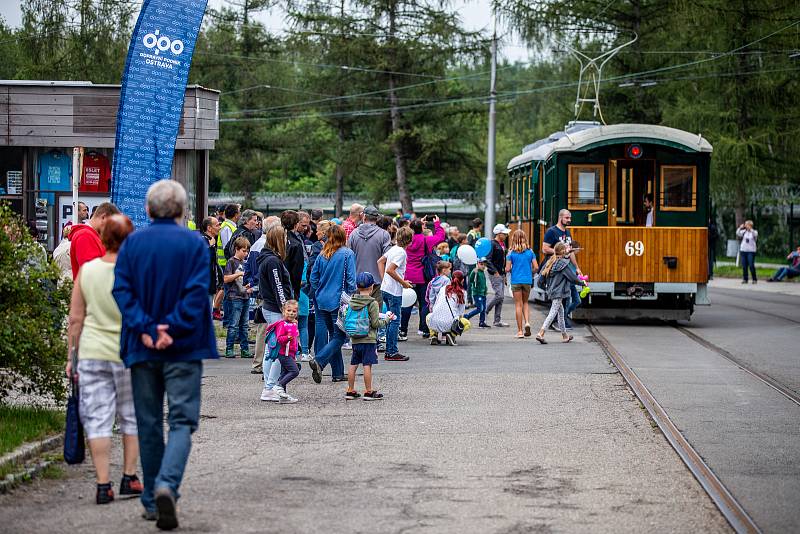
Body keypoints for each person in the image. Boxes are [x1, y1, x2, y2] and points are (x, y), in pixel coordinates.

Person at [112, 180, 218, 529]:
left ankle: (152, 499)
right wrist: (170, 328)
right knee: (183, 420)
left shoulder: (132, 244)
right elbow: (196, 292)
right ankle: (166, 486)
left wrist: (145, 327)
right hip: (184, 346)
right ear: (183, 211)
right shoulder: (194, 243)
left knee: (148, 422)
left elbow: (122, 290)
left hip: (141, 346)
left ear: (147, 209)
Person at [66, 214, 142, 505]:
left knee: (97, 419)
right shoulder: (135, 272)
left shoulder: (87, 271)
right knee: (130, 416)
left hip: (92, 352)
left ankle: (102, 484)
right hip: (128, 354)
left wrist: (72, 357)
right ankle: (129, 476)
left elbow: (76, 319)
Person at [308, 225, 356, 384]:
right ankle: (320, 361)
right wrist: (350, 298)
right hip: (339, 300)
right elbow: (351, 280)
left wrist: (318, 292)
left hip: (322, 299)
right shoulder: (347, 254)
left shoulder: (322, 255)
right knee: (340, 337)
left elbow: (313, 278)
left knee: (333, 335)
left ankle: (337, 373)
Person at [258, 225, 295, 400]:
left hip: (271, 307)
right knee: (279, 351)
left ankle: (269, 386)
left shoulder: (269, 258)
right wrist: (286, 310)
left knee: (271, 351)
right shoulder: (272, 261)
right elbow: (278, 286)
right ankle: (270, 387)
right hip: (275, 309)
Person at [344, 273, 394, 401]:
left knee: (353, 364)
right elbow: (376, 323)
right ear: (372, 286)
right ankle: (368, 391)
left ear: (357, 286)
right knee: (367, 365)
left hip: (355, 338)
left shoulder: (352, 301)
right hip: (368, 338)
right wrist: (387, 320)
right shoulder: (372, 303)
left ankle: (350, 390)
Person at [244, 216, 281, 375]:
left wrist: (250, 282)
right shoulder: (265, 247)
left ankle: (259, 363)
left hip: (259, 290)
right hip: (266, 293)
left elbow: (249, 269)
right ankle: (260, 363)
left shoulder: (255, 245)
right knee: (264, 330)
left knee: (263, 328)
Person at [401, 215, 446, 339]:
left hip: (407, 276)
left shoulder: (406, 240)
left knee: (407, 303)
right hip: (422, 275)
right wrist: (437, 223)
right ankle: (424, 329)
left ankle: (403, 330)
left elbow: (405, 230)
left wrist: (416, 223)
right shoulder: (426, 240)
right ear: (422, 228)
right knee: (424, 303)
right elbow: (440, 237)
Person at [535, 242, 585, 344]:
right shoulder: (563, 264)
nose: (567, 249)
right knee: (553, 312)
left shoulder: (551, 261)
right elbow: (572, 278)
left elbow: (541, 277)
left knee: (561, 313)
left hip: (552, 291)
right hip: (559, 292)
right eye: (565, 248)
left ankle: (565, 336)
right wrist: (582, 283)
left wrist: (544, 287)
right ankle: (541, 333)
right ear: (562, 251)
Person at [378, 226, 413, 362]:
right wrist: (403, 282)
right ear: (409, 241)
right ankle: (391, 351)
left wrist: (383, 280)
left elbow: (380, 261)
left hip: (386, 288)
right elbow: (391, 270)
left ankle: (390, 350)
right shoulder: (401, 253)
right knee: (395, 321)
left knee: (389, 319)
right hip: (394, 291)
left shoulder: (393, 249)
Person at [543, 209, 582, 329]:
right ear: (561, 218)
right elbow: (544, 249)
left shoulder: (568, 233)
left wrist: (577, 268)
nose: (569, 220)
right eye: (567, 218)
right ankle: (557, 323)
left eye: (570, 218)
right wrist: (560, 251)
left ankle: (562, 319)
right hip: (557, 269)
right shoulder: (551, 231)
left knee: (576, 300)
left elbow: (570, 253)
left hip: (567, 268)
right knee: (561, 298)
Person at [348, 206, 392, 307]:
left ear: (363, 216)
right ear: (376, 218)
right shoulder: (384, 235)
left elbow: (349, 258)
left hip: (358, 283)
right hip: (377, 282)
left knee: (358, 316)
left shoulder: (353, 234)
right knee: (376, 317)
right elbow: (388, 258)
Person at [69, 202, 121, 279]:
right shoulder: (85, 235)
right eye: (111, 224)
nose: (111, 229)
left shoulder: (91, 235)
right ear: (104, 217)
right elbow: (91, 273)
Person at [223, 237, 253, 358]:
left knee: (245, 325)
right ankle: (229, 348)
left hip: (245, 296)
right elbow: (225, 279)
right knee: (233, 324)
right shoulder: (231, 262)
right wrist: (238, 274)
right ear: (237, 249)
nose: (246, 254)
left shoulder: (246, 263)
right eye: (244, 251)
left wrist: (250, 286)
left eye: (247, 251)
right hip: (234, 296)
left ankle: (244, 349)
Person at [506, 229, 538, 338]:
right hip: (527, 281)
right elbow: (536, 267)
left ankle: (520, 331)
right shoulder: (530, 252)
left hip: (516, 281)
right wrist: (530, 272)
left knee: (518, 305)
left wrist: (512, 270)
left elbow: (507, 268)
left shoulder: (511, 253)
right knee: (525, 303)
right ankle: (527, 323)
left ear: (513, 239)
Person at [267, 300, 301, 404]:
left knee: (285, 373)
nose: (291, 313)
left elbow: (295, 338)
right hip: (283, 353)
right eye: (289, 310)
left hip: (290, 353)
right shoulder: (282, 324)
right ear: (283, 311)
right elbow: (279, 339)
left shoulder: (292, 323)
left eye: (294, 311)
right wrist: (288, 338)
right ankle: (278, 386)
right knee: (294, 371)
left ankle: (283, 396)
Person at [426, 270, 467, 346]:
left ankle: (434, 335)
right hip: (450, 324)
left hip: (435, 322)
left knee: (428, 316)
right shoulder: (462, 292)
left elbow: (436, 304)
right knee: (466, 323)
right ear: (463, 280)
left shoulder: (443, 288)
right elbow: (461, 312)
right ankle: (452, 334)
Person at [484, 223, 510, 327]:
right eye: (504, 234)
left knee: (501, 297)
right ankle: (485, 310)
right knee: (499, 295)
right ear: (499, 234)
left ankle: (497, 320)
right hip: (495, 273)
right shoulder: (492, 244)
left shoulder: (502, 244)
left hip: (501, 273)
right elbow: (488, 259)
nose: (506, 235)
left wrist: (503, 274)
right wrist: (495, 272)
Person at [200, 217, 223, 318]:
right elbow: (203, 261)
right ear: (209, 228)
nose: (219, 227)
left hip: (211, 284)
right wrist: (210, 248)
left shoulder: (212, 240)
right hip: (205, 285)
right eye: (217, 225)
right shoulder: (203, 241)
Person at [425, 261, 452, 344]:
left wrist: (431, 304)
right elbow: (448, 293)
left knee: (433, 319)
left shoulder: (433, 281)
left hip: (434, 305)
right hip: (444, 305)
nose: (450, 271)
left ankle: (434, 335)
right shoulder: (447, 280)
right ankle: (448, 334)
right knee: (446, 319)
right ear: (444, 270)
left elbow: (430, 294)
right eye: (449, 269)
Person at [464, 259, 489, 327]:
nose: (483, 266)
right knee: (480, 308)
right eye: (481, 264)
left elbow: (483, 283)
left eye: (484, 265)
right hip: (477, 293)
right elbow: (471, 280)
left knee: (483, 308)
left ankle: (482, 322)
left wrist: (485, 290)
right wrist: (473, 273)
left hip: (483, 293)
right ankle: (467, 316)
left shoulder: (482, 272)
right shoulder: (475, 271)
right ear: (477, 264)